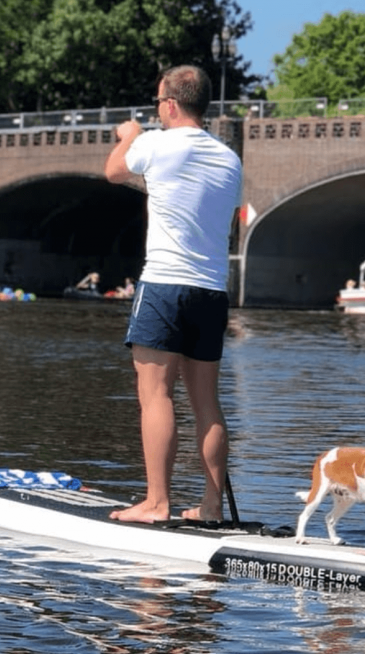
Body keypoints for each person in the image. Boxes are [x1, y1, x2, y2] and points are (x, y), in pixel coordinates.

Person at [104, 64, 242, 524]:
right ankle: (211, 505)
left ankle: (157, 504)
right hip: (212, 292)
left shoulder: (154, 142)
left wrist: (129, 134)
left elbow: (113, 172)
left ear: (169, 104)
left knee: (155, 395)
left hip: (164, 284)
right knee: (207, 401)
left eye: (157, 103)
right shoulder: (229, 158)